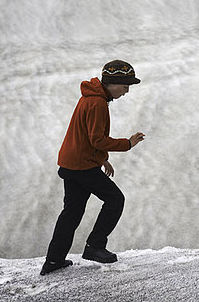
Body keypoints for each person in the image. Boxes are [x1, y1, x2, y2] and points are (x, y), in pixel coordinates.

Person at [41, 60, 145, 275]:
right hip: (82, 166)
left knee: (71, 213)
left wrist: (101, 159)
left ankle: (53, 260)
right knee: (115, 199)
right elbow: (97, 139)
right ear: (112, 83)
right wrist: (127, 144)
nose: (126, 92)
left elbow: (86, 137)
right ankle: (95, 246)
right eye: (125, 86)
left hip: (72, 163)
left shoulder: (90, 98)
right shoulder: (97, 103)